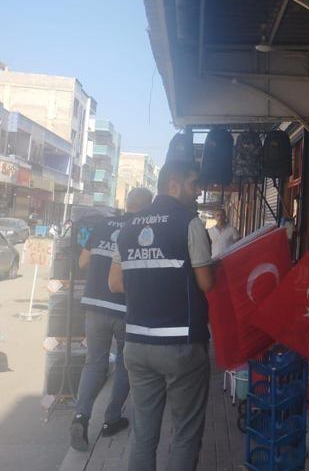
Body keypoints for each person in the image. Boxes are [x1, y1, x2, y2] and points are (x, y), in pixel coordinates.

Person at [108, 161, 214, 471]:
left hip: (137, 343)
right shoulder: (189, 223)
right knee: (184, 433)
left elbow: (114, 283)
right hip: (181, 344)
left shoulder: (128, 227)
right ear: (174, 185)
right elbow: (206, 282)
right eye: (194, 185)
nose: (198, 193)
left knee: (143, 434)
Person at [70, 187, 154, 451]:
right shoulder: (142, 229)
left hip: (94, 305)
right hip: (126, 309)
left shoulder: (103, 224)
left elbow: (83, 263)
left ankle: (81, 417)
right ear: (147, 207)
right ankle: (111, 419)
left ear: (127, 203)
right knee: (124, 365)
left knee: (93, 363)